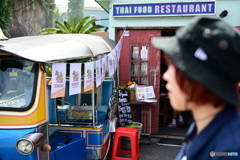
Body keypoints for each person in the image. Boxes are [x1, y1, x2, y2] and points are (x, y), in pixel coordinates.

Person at [152, 16, 240, 160]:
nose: (165, 76)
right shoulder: (200, 125)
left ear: (199, 78)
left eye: (174, 67)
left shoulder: (231, 150)